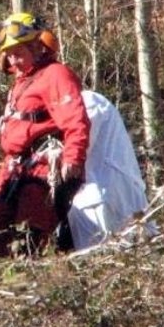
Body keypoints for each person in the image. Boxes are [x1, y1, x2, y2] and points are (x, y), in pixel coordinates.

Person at [0, 12, 90, 255]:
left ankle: (40, 281)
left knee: (29, 234)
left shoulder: (55, 74)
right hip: (16, 171)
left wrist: (73, 157)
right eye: (8, 55)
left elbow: (76, 119)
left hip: (41, 173)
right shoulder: (22, 82)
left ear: (38, 47)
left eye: (18, 53)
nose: (13, 61)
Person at [67, 91, 153, 249]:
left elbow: (79, 147)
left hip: (102, 194)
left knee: (108, 261)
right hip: (102, 194)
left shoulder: (87, 101)